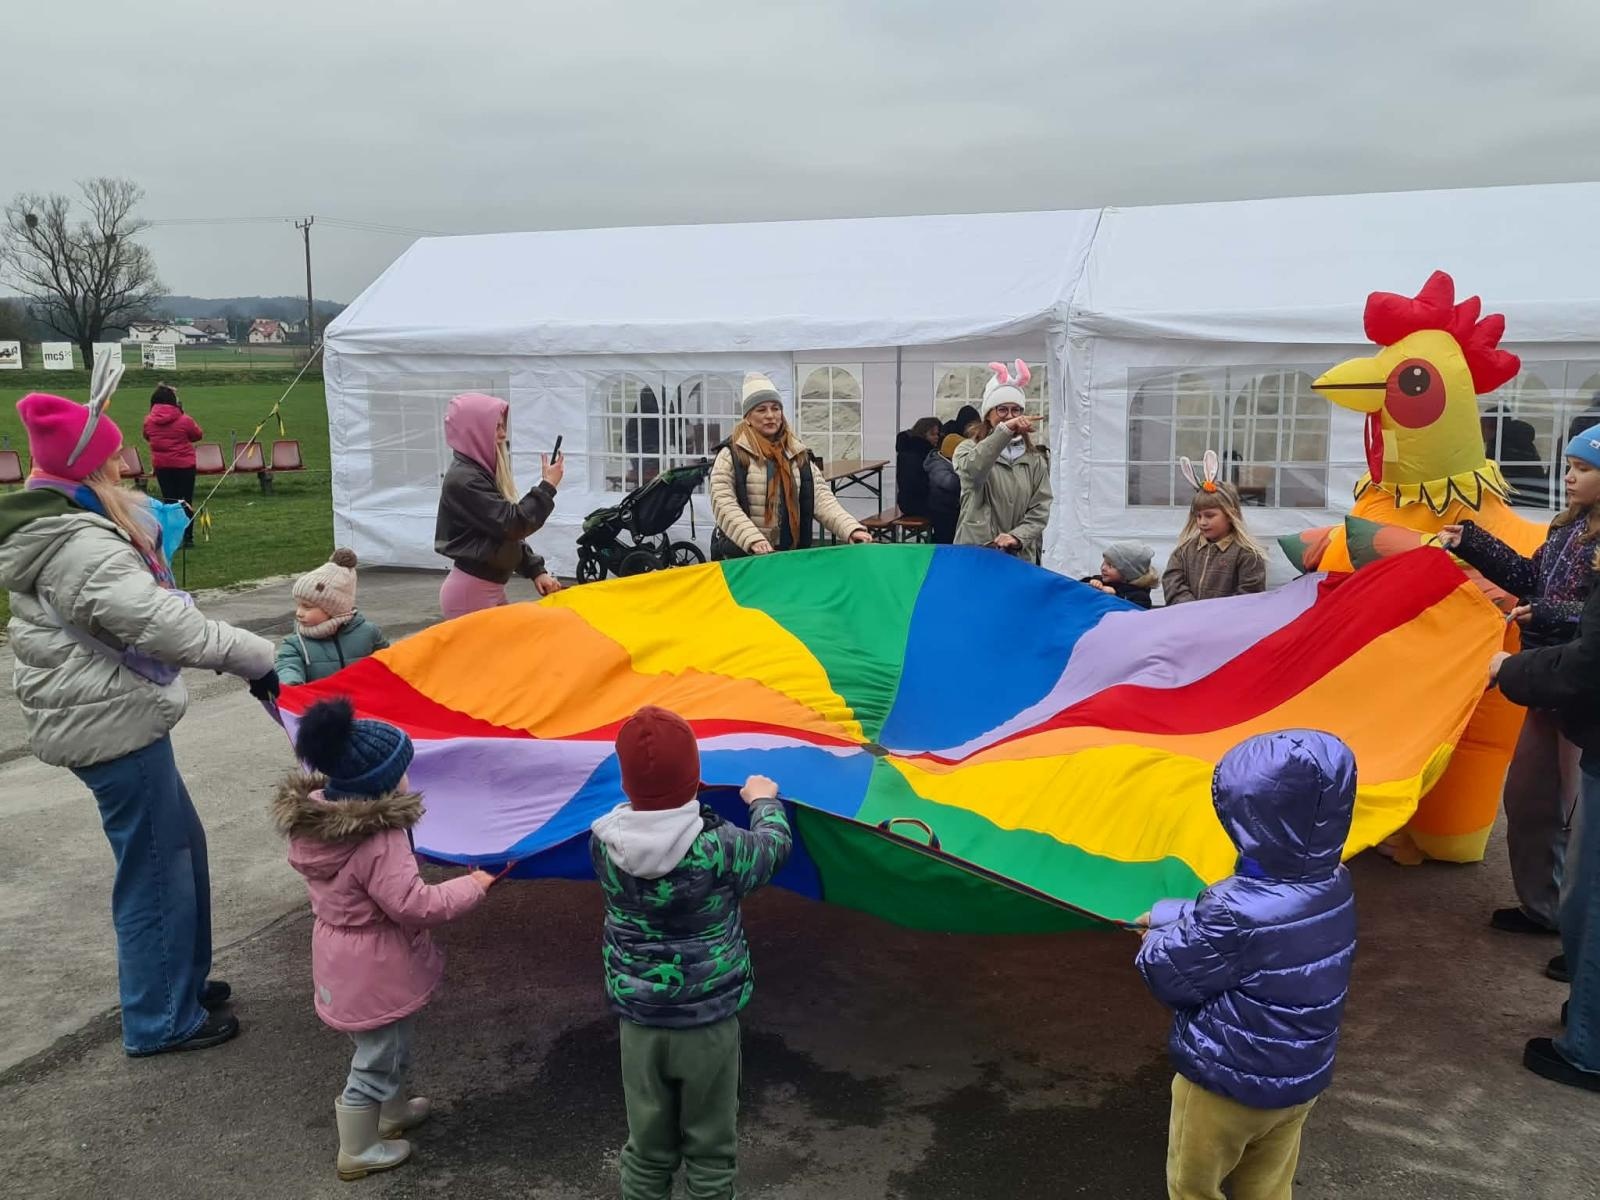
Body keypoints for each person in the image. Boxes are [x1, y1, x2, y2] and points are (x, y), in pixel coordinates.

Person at [0, 392, 278, 1056]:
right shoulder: (78, 542)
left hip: (109, 716)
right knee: (157, 867)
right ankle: (160, 1017)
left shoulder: (64, 525)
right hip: (109, 725)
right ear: (89, 469)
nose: (126, 466)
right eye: (113, 458)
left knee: (181, 849)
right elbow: (161, 624)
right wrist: (256, 657)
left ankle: (176, 980)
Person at [278, 697, 495, 1179]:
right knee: (376, 1053)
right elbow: (413, 904)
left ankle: (392, 1113)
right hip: (374, 962)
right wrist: (472, 886)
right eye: (404, 772)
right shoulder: (380, 840)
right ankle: (357, 1148)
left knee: (386, 1040)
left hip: (342, 955)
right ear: (379, 785)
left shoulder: (319, 826)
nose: (409, 780)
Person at [1137, 730, 1357, 1200]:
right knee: (1268, 1185)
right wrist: (1166, 914)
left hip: (1225, 1087)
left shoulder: (1230, 907)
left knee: (1194, 1186)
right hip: (1299, 1082)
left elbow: (1170, 975)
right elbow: (1257, 932)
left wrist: (1154, 937)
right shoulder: (1336, 884)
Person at [590, 706, 793, 1200]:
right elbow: (772, 848)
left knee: (647, 1147)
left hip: (639, 1023)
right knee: (710, 1149)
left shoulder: (604, 845)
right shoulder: (720, 846)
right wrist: (763, 802)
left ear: (624, 783)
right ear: (698, 778)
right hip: (707, 1024)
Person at [1438, 426, 1600, 939]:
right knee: (1529, 802)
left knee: (1579, 819)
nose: (1569, 477)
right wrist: (1472, 541)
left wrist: (1545, 613)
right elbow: (1530, 579)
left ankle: (1580, 935)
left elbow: (1589, 619)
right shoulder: (1566, 529)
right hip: (1543, 683)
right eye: (1570, 467)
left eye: (1584, 469)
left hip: (1582, 691)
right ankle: (1545, 910)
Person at [708, 373, 870, 557]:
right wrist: (753, 539)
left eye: (775, 408)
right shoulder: (731, 454)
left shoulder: (796, 453)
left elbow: (822, 498)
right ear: (747, 417)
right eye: (761, 410)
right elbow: (724, 503)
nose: (770, 415)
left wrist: (850, 529)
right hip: (743, 556)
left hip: (788, 555)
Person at [434, 391, 563, 619]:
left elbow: (504, 535)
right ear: (474, 430)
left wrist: (536, 571)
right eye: (496, 427)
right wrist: (547, 487)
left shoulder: (476, 474)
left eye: (503, 426)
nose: (503, 435)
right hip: (471, 595)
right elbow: (512, 524)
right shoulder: (466, 480)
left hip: (482, 590)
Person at [953, 361, 1052, 563]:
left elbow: (1041, 507)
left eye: (1016, 410)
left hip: (1019, 556)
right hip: (978, 553)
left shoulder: (1034, 459)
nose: (1009, 416)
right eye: (1002, 410)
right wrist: (1004, 432)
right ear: (988, 415)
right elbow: (973, 471)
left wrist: (1017, 537)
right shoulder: (967, 449)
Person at [276, 549, 390, 686]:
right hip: (322, 705)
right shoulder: (295, 643)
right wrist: (291, 684)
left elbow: (390, 662)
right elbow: (287, 666)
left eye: (307, 607)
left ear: (334, 609)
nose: (298, 613)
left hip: (363, 704)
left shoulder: (369, 633)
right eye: (298, 605)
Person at [1162, 470, 1268, 605]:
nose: (1202, 522)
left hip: (1226, 624)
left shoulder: (1247, 555)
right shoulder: (1183, 551)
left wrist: (1212, 614)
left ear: (1230, 515)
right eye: (1198, 516)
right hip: (1187, 620)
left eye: (1209, 515)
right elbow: (1172, 583)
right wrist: (1191, 609)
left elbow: (1249, 596)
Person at [141, 383, 203, 547]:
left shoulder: (149, 421)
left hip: (162, 465)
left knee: (169, 501)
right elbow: (197, 435)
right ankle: (187, 537)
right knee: (185, 500)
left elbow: (147, 436)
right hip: (184, 465)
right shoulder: (184, 419)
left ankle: (171, 535)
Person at [1082, 541, 1158, 609]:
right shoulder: (1100, 580)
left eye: (1111, 565)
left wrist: (1116, 596)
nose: (1103, 568)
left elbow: (1134, 615)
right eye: (1104, 563)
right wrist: (1091, 583)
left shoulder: (1139, 597)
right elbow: (1077, 588)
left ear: (1127, 572)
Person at [894, 416, 943, 520]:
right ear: (923, 434)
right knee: (948, 509)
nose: (937, 437)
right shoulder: (917, 454)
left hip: (908, 501)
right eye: (933, 434)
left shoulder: (911, 450)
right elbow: (918, 485)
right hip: (915, 503)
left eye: (937, 434)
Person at [925, 434, 961, 545]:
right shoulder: (937, 465)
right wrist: (964, 477)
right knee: (945, 539)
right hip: (942, 510)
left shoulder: (945, 463)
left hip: (951, 507)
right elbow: (949, 483)